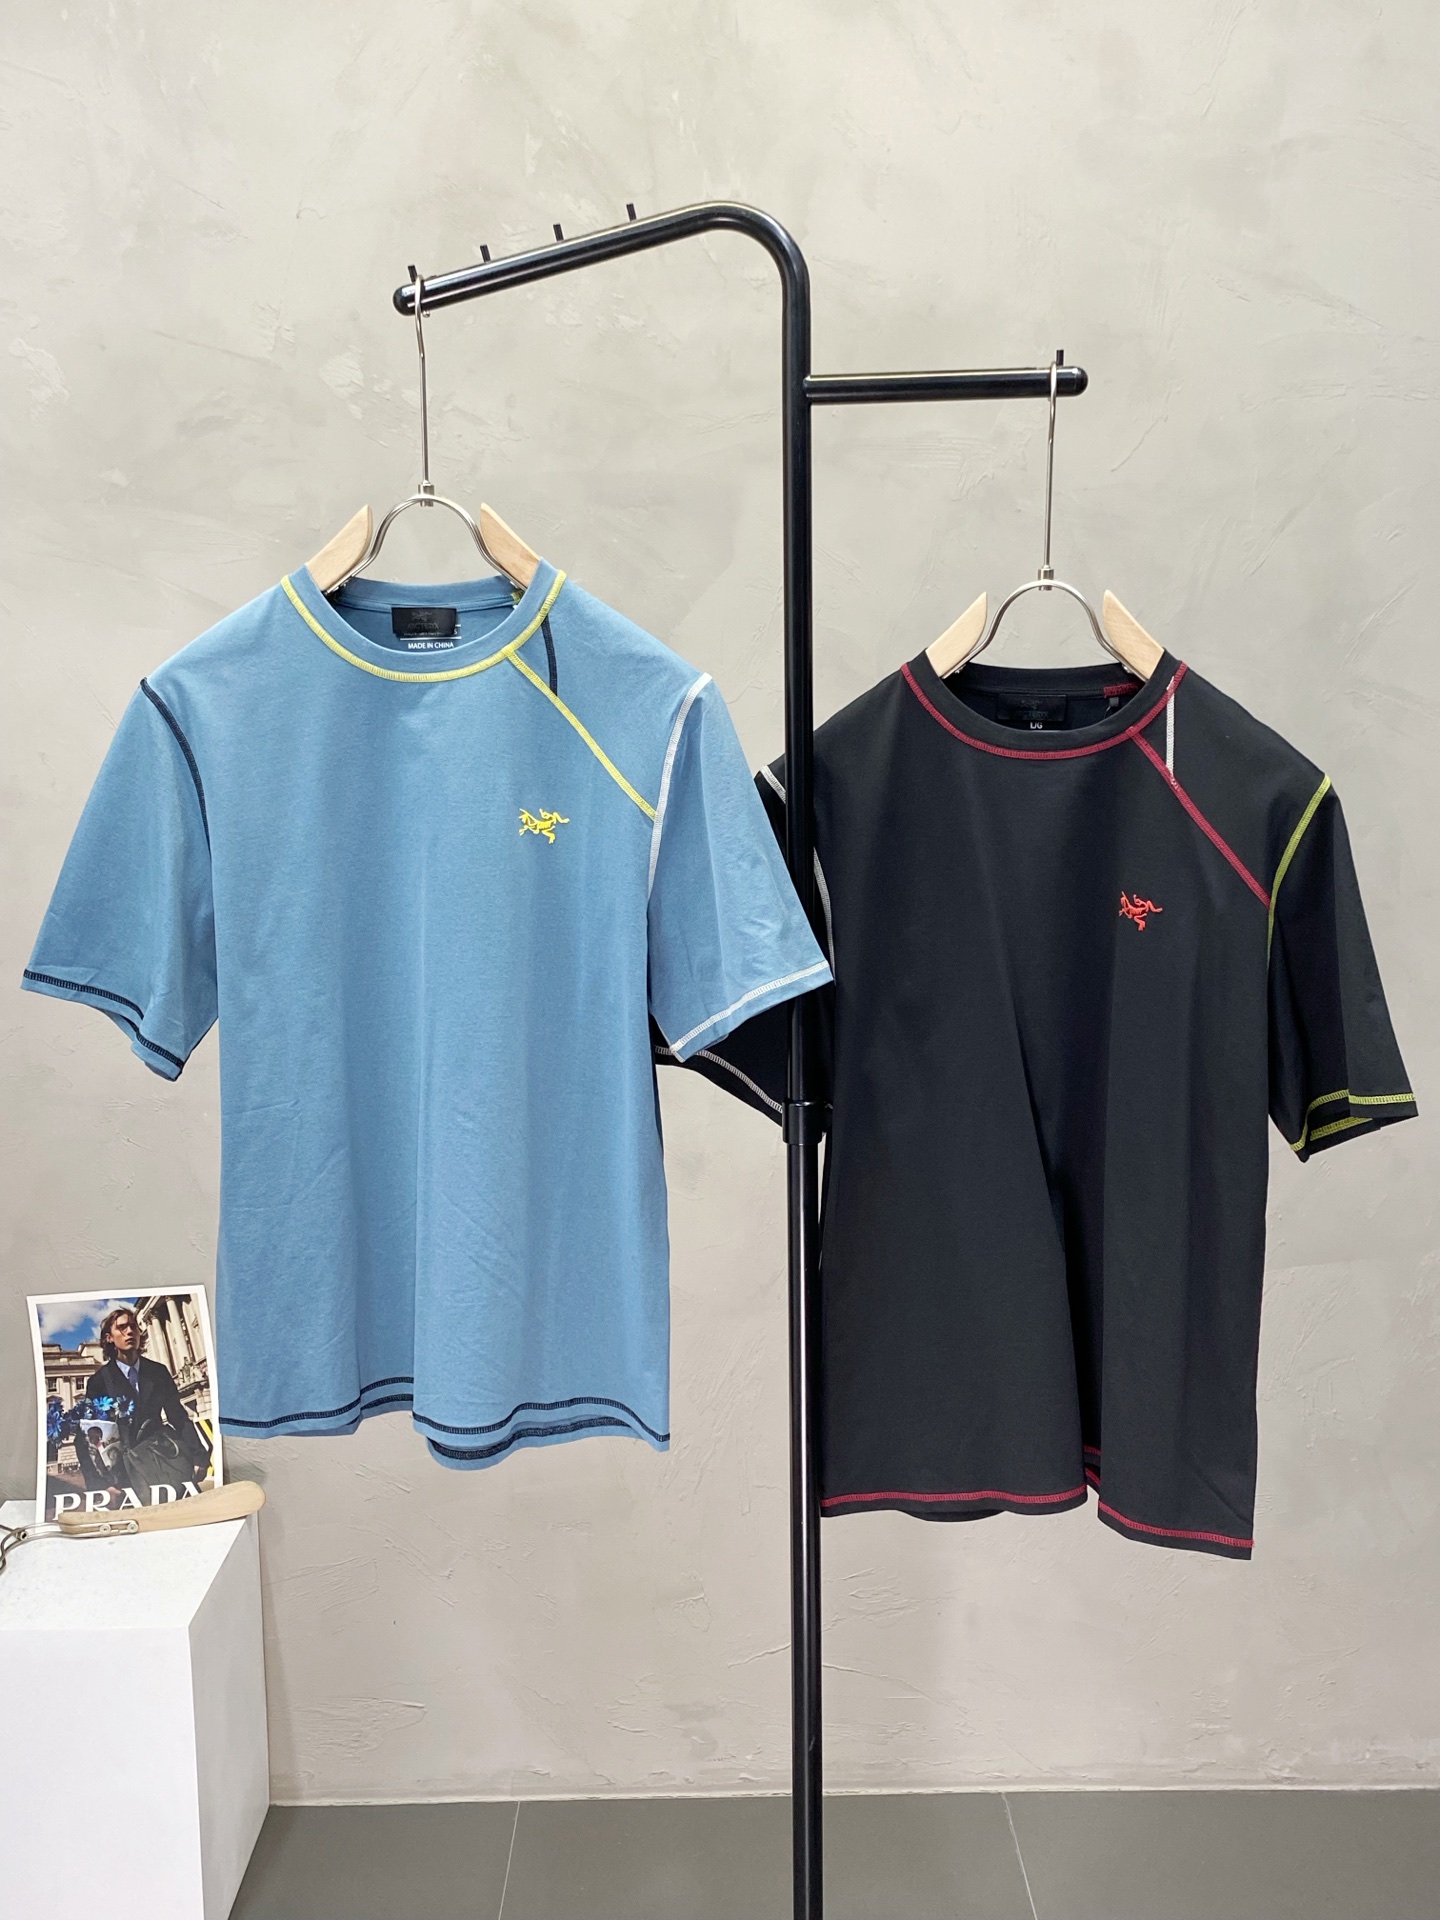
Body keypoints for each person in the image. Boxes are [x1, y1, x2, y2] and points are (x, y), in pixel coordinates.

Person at [86, 1307, 211, 1485]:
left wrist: (199, 1456)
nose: (130, 1331)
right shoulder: (98, 1381)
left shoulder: (158, 1372)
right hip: (125, 1470)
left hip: (163, 1457)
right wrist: (99, 1484)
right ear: (109, 1338)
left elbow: (178, 1416)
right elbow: (90, 1436)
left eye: (133, 1326)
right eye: (122, 1327)